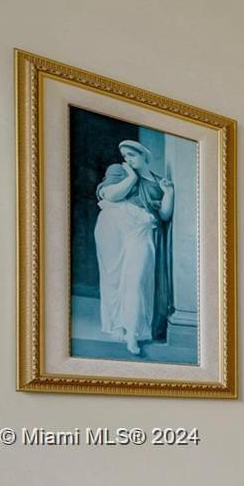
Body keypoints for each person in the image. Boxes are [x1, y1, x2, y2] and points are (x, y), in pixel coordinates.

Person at [93, 140, 173, 356]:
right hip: (113, 226)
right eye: (125, 155)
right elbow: (111, 195)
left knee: (137, 279)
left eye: (132, 154)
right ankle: (117, 324)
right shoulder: (119, 170)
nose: (128, 159)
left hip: (141, 230)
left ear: (144, 156)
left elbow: (164, 215)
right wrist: (131, 177)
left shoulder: (157, 181)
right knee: (113, 277)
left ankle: (133, 333)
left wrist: (169, 192)